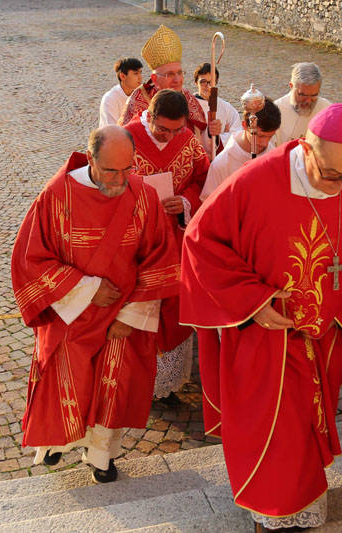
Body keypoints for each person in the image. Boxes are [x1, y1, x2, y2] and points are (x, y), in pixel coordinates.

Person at [181, 104, 342, 531]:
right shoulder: (254, 183)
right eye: (332, 174)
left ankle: (305, 500)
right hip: (265, 339)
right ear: (306, 147)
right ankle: (270, 511)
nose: (341, 188)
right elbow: (200, 244)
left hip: (322, 338)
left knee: (307, 428)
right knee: (272, 431)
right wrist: (254, 302)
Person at [11, 125, 181, 483]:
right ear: (90, 159)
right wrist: (86, 289)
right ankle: (57, 442)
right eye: (110, 170)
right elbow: (31, 259)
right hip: (70, 315)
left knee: (112, 385)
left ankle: (101, 455)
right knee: (65, 379)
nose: (120, 179)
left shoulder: (143, 196)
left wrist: (132, 315)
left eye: (127, 169)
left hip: (123, 314)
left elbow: (160, 258)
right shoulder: (56, 195)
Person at [125, 89, 210, 402]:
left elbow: (203, 179)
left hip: (174, 238)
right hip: (135, 244)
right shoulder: (127, 138)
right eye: (163, 130)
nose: (170, 136)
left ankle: (167, 383)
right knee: (139, 311)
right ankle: (137, 380)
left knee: (173, 308)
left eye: (176, 130)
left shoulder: (187, 138)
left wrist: (186, 202)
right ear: (149, 116)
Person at [118, 25, 208, 140]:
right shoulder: (139, 99)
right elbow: (124, 139)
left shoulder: (188, 99)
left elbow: (202, 139)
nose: (177, 80)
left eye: (180, 73)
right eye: (170, 74)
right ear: (154, 79)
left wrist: (211, 132)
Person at [200, 97, 281, 202]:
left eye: (269, 136)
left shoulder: (275, 158)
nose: (265, 143)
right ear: (244, 125)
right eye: (259, 136)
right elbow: (209, 204)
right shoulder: (222, 164)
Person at [192, 62, 243, 159]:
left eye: (211, 82)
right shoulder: (190, 106)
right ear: (196, 82)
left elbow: (237, 133)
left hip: (221, 159)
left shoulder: (225, 107)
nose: (208, 86)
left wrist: (219, 138)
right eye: (203, 82)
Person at [273, 62, 331, 146]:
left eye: (314, 95)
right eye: (302, 95)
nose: (308, 101)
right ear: (291, 86)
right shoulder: (276, 111)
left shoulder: (326, 109)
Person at [99, 57, 143, 127]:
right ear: (122, 76)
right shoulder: (110, 99)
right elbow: (112, 129)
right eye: (135, 73)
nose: (140, 77)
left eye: (140, 72)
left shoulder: (141, 94)